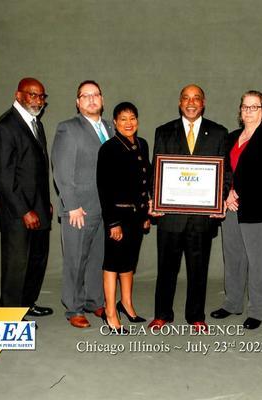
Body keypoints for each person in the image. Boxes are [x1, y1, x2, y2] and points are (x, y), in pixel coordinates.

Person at [149, 84, 230, 332]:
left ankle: (196, 316)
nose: (191, 102)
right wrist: (153, 199)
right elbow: (156, 172)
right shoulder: (163, 132)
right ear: (179, 102)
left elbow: (225, 174)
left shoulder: (218, 133)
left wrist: (221, 200)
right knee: (166, 269)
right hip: (170, 217)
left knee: (198, 270)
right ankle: (162, 314)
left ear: (203, 102)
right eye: (186, 98)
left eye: (196, 98)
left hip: (202, 217)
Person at [210, 90, 262, 330]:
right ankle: (232, 303)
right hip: (231, 209)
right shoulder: (230, 138)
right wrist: (226, 194)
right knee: (233, 260)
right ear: (240, 111)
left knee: (259, 263)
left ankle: (258, 310)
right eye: (245, 107)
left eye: (254, 106)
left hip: (259, 210)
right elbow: (221, 171)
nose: (249, 111)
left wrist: (236, 193)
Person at [51, 80, 113, 328]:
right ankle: (74, 308)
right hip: (79, 208)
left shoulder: (110, 127)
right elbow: (61, 170)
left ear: (102, 99)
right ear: (77, 102)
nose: (91, 99)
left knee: (97, 258)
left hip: (104, 208)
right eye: (85, 96)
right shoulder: (68, 129)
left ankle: (93, 300)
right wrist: (71, 205)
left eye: (95, 94)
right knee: (75, 260)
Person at [0, 78, 53, 318]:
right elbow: (3, 176)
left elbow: (36, 169)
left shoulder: (36, 124)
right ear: (18, 95)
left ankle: (27, 304)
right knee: (16, 265)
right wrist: (24, 210)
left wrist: (44, 201)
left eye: (41, 96)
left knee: (36, 260)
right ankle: (9, 315)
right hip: (19, 212)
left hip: (38, 207)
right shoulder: (5, 127)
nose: (38, 100)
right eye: (32, 95)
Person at [97, 102, 151, 333]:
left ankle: (126, 304)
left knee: (129, 263)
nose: (128, 123)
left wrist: (146, 212)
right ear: (115, 123)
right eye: (123, 119)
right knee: (113, 264)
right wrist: (113, 223)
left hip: (137, 215)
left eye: (132, 118)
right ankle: (110, 312)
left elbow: (145, 180)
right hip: (118, 216)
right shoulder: (109, 148)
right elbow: (104, 188)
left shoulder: (142, 144)